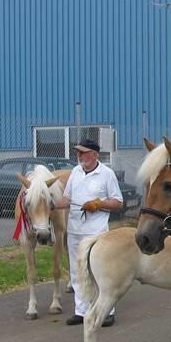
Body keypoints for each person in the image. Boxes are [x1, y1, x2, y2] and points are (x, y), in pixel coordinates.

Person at [52, 139, 123, 327]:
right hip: (75, 231)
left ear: (95, 155)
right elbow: (66, 199)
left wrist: (98, 204)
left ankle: (107, 311)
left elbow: (118, 202)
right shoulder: (75, 172)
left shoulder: (107, 174)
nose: (80, 156)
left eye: (84, 152)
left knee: (98, 271)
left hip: (96, 232)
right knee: (77, 270)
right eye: (78, 152)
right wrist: (50, 203)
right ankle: (81, 311)